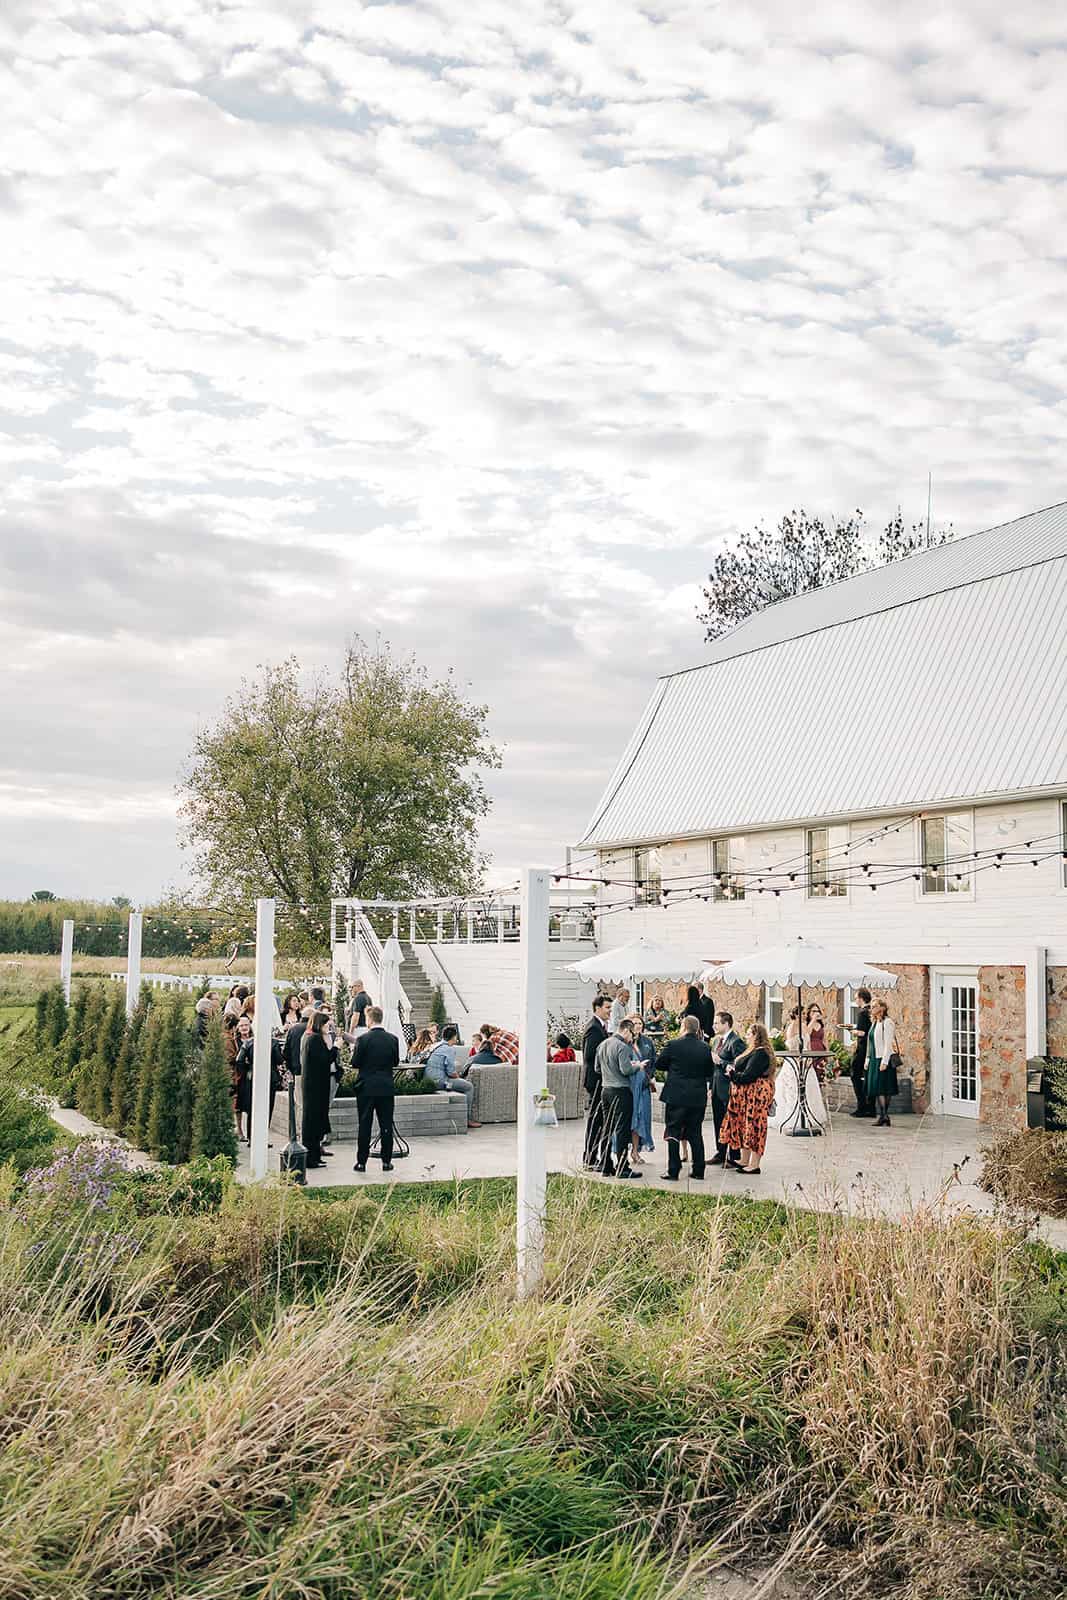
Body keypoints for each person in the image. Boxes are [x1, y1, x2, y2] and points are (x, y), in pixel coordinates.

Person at [655, 1015, 714, 1180]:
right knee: (695, 1132)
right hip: (697, 1096)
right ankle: (698, 1169)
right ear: (697, 1029)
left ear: (683, 1027)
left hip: (676, 1096)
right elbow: (710, 1071)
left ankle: (673, 1169)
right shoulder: (705, 1048)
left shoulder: (673, 1045)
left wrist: (673, 1067)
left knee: (673, 1131)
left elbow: (659, 1063)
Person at [720, 1023, 778, 1175]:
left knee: (755, 1126)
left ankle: (754, 1164)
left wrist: (732, 1073)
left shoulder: (761, 1053)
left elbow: (748, 1076)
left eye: (749, 1033)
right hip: (746, 1096)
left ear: (756, 1035)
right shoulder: (752, 1050)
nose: (746, 1036)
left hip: (756, 1096)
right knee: (745, 1125)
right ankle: (744, 1160)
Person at [351, 1005, 398, 1172]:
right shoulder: (393, 1039)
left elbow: (355, 1063)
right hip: (386, 1086)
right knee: (386, 1124)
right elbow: (395, 1062)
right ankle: (386, 1161)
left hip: (367, 1086)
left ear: (369, 1019)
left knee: (365, 1124)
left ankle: (361, 1162)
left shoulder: (363, 1040)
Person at [596, 1019, 641, 1179]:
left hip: (605, 1090)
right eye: (632, 1034)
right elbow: (626, 1070)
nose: (632, 1039)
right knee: (622, 1129)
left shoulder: (603, 1044)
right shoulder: (622, 1047)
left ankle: (605, 1165)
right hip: (621, 1091)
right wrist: (638, 1066)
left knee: (607, 1128)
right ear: (626, 1030)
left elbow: (597, 1068)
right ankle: (623, 1167)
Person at [300, 1011, 338, 1168]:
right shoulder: (314, 1039)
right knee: (313, 1121)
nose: (328, 1026)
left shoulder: (312, 1038)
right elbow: (325, 1059)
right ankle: (311, 1158)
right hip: (315, 1086)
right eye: (325, 1024)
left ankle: (315, 1155)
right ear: (318, 1024)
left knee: (316, 1120)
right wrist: (335, 1048)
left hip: (315, 1085)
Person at [423, 1024, 481, 1125]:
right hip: (441, 1082)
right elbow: (451, 1072)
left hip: (429, 1080)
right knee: (468, 1086)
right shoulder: (449, 1049)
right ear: (454, 1037)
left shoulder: (437, 1045)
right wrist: (459, 1077)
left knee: (459, 1084)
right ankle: (467, 1119)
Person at [709, 1011, 745, 1165]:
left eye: (717, 1023)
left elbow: (740, 1066)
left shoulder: (736, 1042)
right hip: (717, 1087)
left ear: (726, 1024)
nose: (714, 1026)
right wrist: (711, 1086)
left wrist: (721, 1062)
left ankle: (733, 1154)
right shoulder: (717, 1041)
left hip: (729, 1088)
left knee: (731, 1121)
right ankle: (720, 1152)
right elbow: (713, 1066)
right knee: (718, 1121)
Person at [581, 996, 612, 1168]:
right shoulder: (593, 1028)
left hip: (600, 1080)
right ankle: (590, 1158)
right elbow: (590, 1055)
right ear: (597, 1008)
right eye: (607, 1007)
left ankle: (593, 1157)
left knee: (599, 1120)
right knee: (595, 1121)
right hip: (596, 1081)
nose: (610, 1011)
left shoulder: (600, 1026)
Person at [865, 999, 899, 1126]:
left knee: (884, 1088)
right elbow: (870, 1042)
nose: (872, 1008)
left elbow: (888, 1044)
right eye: (871, 1006)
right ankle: (884, 1116)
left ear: (882, 1008)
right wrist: (867, 1059)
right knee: (877, 1088)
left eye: (875, 1006)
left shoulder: (888, 1022)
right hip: (874, 1058)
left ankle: (883, 1115)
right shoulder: (874, 1023)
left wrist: (884, 1061)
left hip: (884, 1059)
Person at [628, 1016, 656, 1166]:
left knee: (642, 1119)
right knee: (631, 1119)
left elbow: (653, 1061)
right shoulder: (625, 1042)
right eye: (635, 1023)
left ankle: (636, 1150)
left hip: (644, 1086)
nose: (638, 1026)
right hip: (630, 1088)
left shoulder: (647, 1042)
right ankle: (624, 1151)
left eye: (640, 1023)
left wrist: (650, 1077)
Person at [844, 988, 874, 1117]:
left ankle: (862, 1107)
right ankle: (871, 1108)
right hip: (871, 1049)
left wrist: (852, 1031)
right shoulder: (871, 1011)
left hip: (862, 1049)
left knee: (855, 1075)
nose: (855, 1000)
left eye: (856, 998)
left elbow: (862, 1032)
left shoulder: (862, 1013)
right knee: (868, 1078)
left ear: (861, 998)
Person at [232, 1013, 254, 1140]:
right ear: (238, 1028)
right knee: (239, 1104)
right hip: (240, 1075)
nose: (244, 1027)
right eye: (241, 1026)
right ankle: (239, 1130)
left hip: (252, 1075)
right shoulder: (235, 1041)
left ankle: (252, 1131)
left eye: (246, 1025)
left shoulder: (254, 1038)